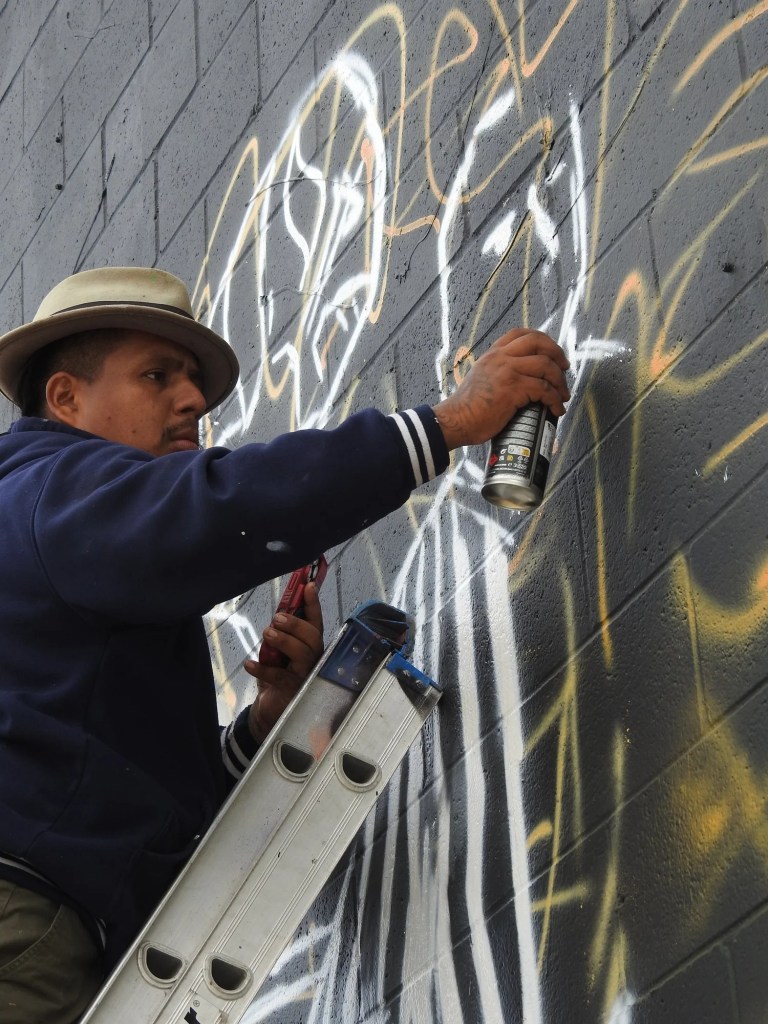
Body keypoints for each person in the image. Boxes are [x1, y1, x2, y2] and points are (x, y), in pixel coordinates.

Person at [0, 267, 570, 1023]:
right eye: (156, 375)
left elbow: (118, 795)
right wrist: (444, 425)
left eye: (192, 381)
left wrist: (263, 723)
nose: (194, 400)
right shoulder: (46, 490)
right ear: (66, 398)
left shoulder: (61, 542)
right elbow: (215, 507)